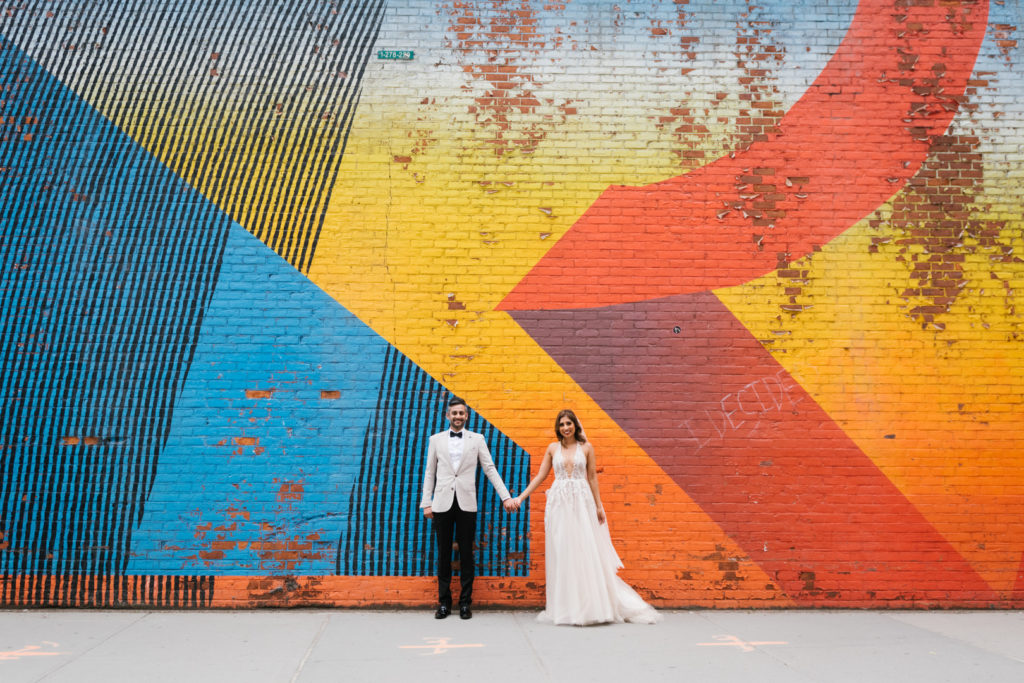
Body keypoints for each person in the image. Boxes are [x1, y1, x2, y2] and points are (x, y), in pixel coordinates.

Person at [512, 409, 659, 626]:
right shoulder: (553, 448)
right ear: (558, 427)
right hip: (559, 504)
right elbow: (542, 475)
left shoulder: (587, 448)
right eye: (562, 424)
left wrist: (599, 506)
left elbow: (591, 477)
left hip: (582, 503)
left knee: (585, 550)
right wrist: (521, 497)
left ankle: (591, 606)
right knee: (563, 552)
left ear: (575, 426)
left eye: (569, 423)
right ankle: (566, 608)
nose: (565, 428)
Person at [421, 397, 518, 620]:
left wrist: (505, 497)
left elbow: (490, 469)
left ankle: (465, 603)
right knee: (444, 554)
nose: (457, 417)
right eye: (454, 413)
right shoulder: (435, 440)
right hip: (442, 503)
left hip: (467, 504)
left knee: (467, 555)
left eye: (461, 413)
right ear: (447, 415)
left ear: (466, 416)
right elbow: (430, 472)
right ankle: (444, 603)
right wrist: (426, 502)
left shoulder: (477, 439)